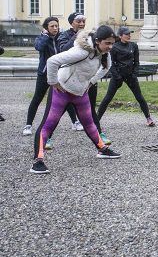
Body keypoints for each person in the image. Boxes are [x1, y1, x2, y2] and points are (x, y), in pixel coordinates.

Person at [30, 26, 121, 174]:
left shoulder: (104, 53)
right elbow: (52, 61)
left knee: (89, 123)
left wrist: (90, 82)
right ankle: (37, 161)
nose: (110, 47)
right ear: (97, 41)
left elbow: (106, 67)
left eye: (112, 43)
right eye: (107, 43)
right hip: (62, 91)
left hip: (80, 92)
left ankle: (102, 149)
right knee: (48, 125)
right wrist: (53, 82)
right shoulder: (81, 51)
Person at [23, 17, 79, 145]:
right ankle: (28, 125)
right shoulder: (42, 38)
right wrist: (45, 36)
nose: (55, 28)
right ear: (46, 28)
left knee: (66, 98)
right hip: (44, 73)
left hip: (60, 74)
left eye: (56, 26)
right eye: (52, 26)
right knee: (37, 98)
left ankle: (75, 122)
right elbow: (39, 47)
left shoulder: (61, 37)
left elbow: (68, 49)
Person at [57, 12, 110, 144]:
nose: (82, 24)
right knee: (58, 110)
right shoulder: (65, 35)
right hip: (68, 80)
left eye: (83, 21)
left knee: (90, 108)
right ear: (71, 23)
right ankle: (48, 136)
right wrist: (76, 37)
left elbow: (104, 61)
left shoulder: (90, 37)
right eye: (78, 21)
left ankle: (99, 134)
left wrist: (92, 80)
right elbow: (62, 50)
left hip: (87, 80)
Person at [97, 26, 155, 127]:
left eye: (129, 34)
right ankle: (96, 120)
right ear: (120, 35)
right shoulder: (114, 47)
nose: (129, 35)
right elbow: (111, 64)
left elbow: (136, 62)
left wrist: (134, 74)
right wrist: (117, 76)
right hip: (118, 76)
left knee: (140, 97)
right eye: (126, 34)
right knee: (107, 98)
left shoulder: (133, 46)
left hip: (130, 76)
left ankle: (148, 118)